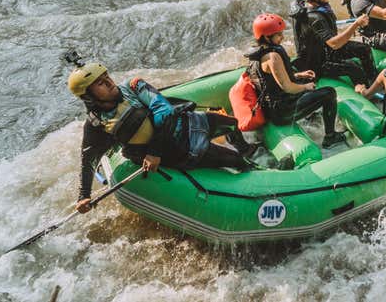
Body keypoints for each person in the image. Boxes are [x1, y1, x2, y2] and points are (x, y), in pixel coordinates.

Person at [68, 58, 256, 214]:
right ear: (88, 96)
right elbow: (89, 159)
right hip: (185, 150)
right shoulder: (97, 125)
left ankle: (249, 150)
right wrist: (84, 195)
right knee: (236, 160)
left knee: (232, 124)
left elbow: (165, 112)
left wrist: (154, 152)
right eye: (100, 83)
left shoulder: (133, 87)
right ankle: (251, 175)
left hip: (190, 123)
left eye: (106, 76)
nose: (109, 82)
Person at [246, 13, 346, 148]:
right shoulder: (272, 57)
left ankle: (311, 118)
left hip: (271, 108)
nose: (282, 37)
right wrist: (306, 87)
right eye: (278, 34)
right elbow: (288, 88)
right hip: (281, 112)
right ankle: (330, 137)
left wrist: (299, 75)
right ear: (266, 37)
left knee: (305, 83)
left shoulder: (259, 54)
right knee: (329, 93)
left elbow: (271, 80)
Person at [290, 0, 378, 87]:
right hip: (317, 63)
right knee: (354, 69)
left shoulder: (312, 6)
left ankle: (373, 80)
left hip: (325, 49)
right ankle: (368, 93)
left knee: (364, 49)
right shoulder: (315, 18)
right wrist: (356, 24)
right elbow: (334, 44)